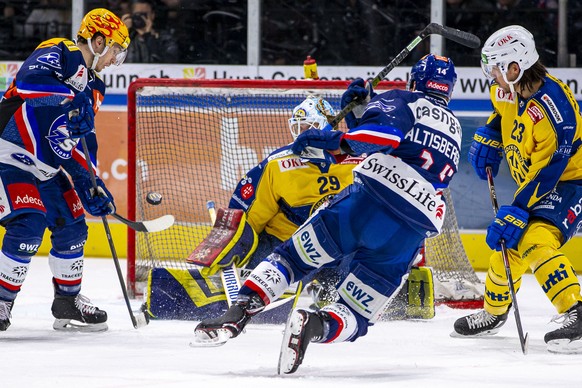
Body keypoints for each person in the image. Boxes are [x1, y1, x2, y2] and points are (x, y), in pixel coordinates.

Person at [193, 53, 461, 373]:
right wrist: (361, 113)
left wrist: (335, 141)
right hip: (408, 233)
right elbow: (399, 144)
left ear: (414, 80)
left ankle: (236, 315)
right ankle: (312, 326)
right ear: (448, 89)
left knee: (292, 259)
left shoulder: (402, 99)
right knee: (357, 314)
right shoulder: (455, 129)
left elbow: (383, 138)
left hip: (369, 204)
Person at [452, 25, 582, 354]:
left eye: (494, 68)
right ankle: (495, 314)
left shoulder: (555, 113)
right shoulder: (508, 88)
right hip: (538, 183)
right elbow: (501, 112)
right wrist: (491, 132)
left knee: (534, 238)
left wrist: (519, 208)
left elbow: (549, 172)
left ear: (514, 67)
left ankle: (576, 309)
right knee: (506, 248)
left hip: (570, 183)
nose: (490, 75)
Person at [0, 8, 130, 332]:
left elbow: (80, 141)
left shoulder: (95, 87)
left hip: (43, 167)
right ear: (98, 40)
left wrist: (91, 184)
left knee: (73, 224)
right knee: (29, 224)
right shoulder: (62, 51)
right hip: (7, 155)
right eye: (115, 49)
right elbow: (29, 82)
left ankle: (67, 301)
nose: (116, 59)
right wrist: (71, 99)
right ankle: (2, 301)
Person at [191, 97, 364, 307]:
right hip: (286, 244)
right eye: (298, 127)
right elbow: (250, 214)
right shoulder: (278, 164)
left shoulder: (359, 158)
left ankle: (327, 287)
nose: (302, 133)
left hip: (338, 245)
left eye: (309, 127)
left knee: (356, 271)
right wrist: (232, 244)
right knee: (255, 285)